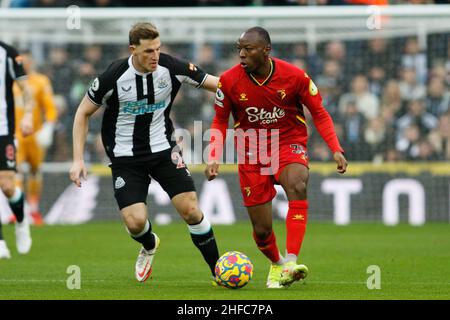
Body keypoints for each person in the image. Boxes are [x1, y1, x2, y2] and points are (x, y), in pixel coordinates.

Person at [69, 22, 220, 283]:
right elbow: (82, 112)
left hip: (163, 149)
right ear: (133, 50)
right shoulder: (113, 76)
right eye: (149, 51)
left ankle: (218, 270)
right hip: (125, 158)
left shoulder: (172, 67)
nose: (155, 56)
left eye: (158, 49)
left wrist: (253, 87)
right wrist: (78, 159)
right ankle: (149, 244)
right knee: (136, 222)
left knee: (191, 209)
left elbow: (216, 84)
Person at [205, 27, 348, 288]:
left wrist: (335, 148)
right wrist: (213, 154)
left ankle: (292, 261)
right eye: (239, 49)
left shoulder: (295, 76)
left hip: (287, 143)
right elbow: (218, 119)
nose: (241, 55)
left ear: (266, 50)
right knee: (261, 231)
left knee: (298, 183)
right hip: (251, 152)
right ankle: (278, 264)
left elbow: (319, 112)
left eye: (248, 49)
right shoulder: (228, 80)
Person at [12, 51, 58, 225]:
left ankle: (33, 210)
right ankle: (18, 211)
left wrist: (48, 126)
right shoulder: (9, 81)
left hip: (35, 134)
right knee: (15, 171)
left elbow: (50, 107)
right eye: (21, 61)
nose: (24, 64)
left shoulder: (41, 81)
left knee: (34, 171)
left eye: (27, 60)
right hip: (15, 134)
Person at [0, 41, 34, 259]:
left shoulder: (8, 53)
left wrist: (29, 115)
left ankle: (21, 220)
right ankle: (0, 242)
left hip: (3, 131)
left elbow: (25, 90)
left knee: (7, 186)